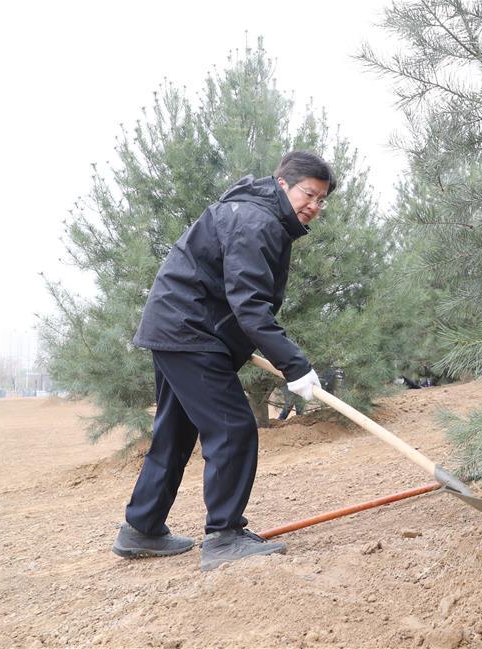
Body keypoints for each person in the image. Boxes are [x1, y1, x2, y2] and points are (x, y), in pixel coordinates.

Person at [112, 150, 335, 571]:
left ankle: (141, 529)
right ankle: (225, 536)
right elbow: (250, 304)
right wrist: (295, 365)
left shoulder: (253, 213)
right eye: (309, 194)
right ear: (283, 183)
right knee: (232, 429)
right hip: (190, 332)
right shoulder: (257, 221)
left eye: (322, 199)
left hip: (179, 328)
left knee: (175, 433)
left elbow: (228, 291)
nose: (314, 206)